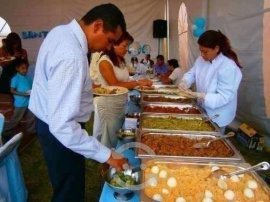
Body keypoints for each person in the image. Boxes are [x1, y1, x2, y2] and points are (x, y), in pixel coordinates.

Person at [28, 4, 128, 202]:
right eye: (110, 41)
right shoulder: (71, 55)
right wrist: (106, 154)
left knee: (65, 183)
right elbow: (63, 126)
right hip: (59, 131)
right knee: (69, 191)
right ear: (97, 26)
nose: (109, 48)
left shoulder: (60, 32)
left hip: (49, 122)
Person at [90, 31, 152, 147]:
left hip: (122, 103)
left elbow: (125, 81)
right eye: (124, 46)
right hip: (109, 105)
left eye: (128, 46)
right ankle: (107, 162)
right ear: (113, 45)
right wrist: (138, 82)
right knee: (110, 138)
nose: (126, 49)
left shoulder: (120, 61)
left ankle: (121, 156)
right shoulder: (105, 62)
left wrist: (138, 84)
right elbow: (115, 84)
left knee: (121, 134)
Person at [179, 30, 242, 133]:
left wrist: (202, 96)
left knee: (214, 141)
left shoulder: (228, 66)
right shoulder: (201, 59)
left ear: (216, 48)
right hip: (202, 109)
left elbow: (225, 96)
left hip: (219, 114)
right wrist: (185, 82)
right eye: (200, 50)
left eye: (205, 51)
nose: (202, 54)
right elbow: (192, 73)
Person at [3, 59, 35, 136]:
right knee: (16, 118)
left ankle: (31, 130)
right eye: (22, 68)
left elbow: (31, 87)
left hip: (29, 102)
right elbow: (12, 90)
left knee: (31, 117)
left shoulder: (28, 78)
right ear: (17, 68)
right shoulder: (15, 78)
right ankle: (6, 130)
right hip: (20, 103)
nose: (25, 70)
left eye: (26, 68)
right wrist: (23, 94)